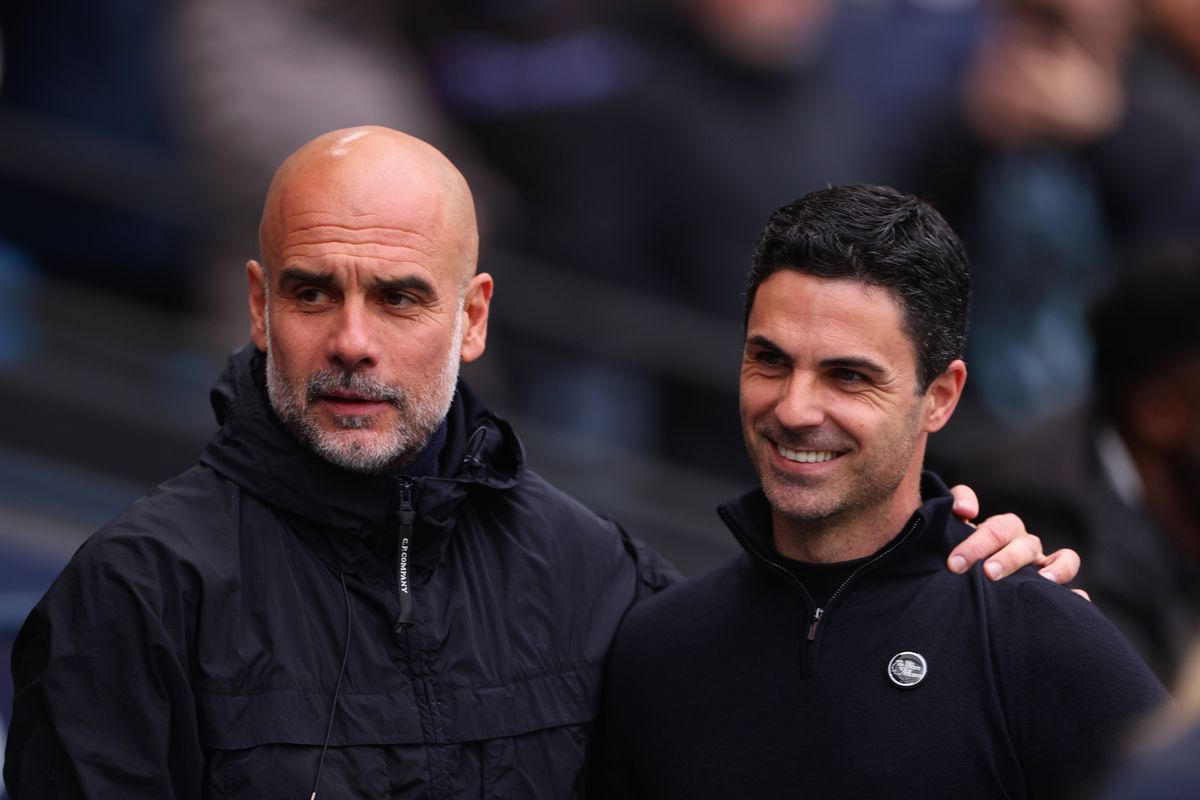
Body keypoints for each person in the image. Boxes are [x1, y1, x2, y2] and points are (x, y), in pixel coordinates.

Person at [5, 129, 1070, 799]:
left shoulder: (596, 573)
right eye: (313, 290)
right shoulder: (135, 593)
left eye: (402, 297)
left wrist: (943, 576)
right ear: (257, 307)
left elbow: (806, 705)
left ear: (472, 318)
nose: (354, 341)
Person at [589, 184, 1168, 799]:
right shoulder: (659, 646)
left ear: (940, 397)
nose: (794, 407)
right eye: (771, 360)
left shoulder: (1033, 635)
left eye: (848, 376)